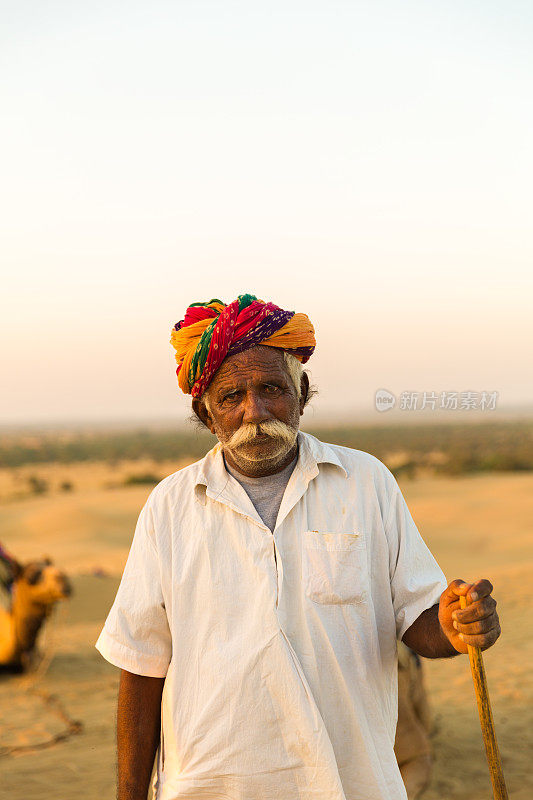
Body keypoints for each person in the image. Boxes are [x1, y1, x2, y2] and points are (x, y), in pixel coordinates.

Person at [96, 294, 501, 800]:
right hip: (208, 788)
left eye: (272, 388)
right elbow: (140, 666)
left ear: (303, 392)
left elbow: (418, 619)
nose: (255, 411)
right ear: (205, 413)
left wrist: (457, 624)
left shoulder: (365, 483)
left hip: (351, 784)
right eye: (231, 397)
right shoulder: (169, 508)